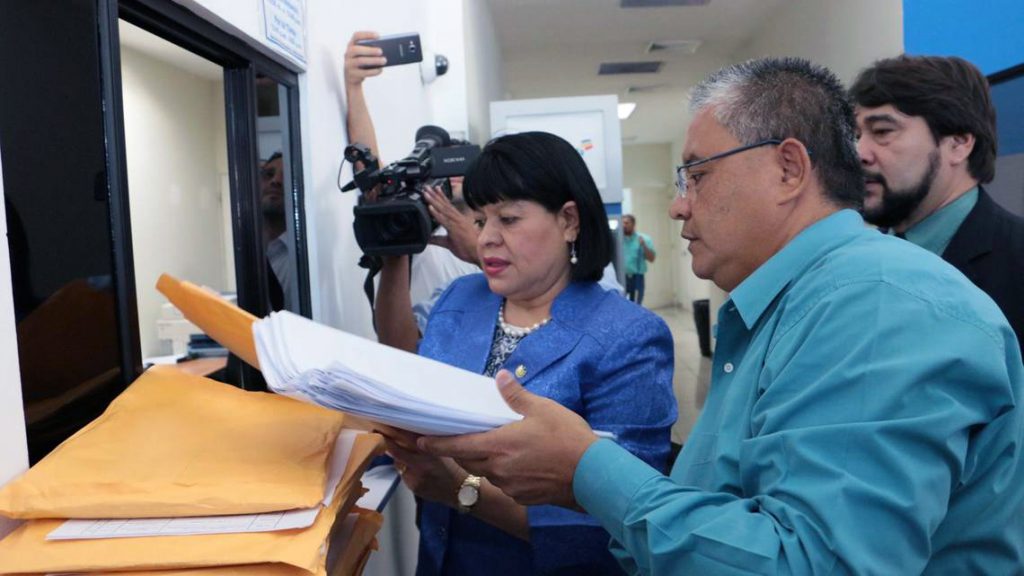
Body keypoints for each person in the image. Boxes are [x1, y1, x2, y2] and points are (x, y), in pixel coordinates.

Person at [420, 57, 1024, 574]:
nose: (679, 207)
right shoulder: (789, 307)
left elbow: (808, 562)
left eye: (697, 176)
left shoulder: (879, 306)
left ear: (788, 169)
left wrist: (585, 469)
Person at [383, 131, 677, 575]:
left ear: (569, 221)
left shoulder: (629, 338)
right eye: (480, 221)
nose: (486, 238)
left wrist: (461, 489)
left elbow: (626, 521)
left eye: (509, 219)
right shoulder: (459, 299)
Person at [850, 55, 1024, 351]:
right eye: (856, 136)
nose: (859, 152)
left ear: (958, 144)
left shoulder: (1017, 262)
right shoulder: (851, 265)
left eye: (882, 132)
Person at [343, 31, 479, 349]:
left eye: (458, 164)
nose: (452, 176)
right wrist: (354, 87)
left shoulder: (500, 236)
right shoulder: (413, 221)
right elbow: (370, 165)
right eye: (440, 167)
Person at [259, 152, 291, 311]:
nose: (275, 181)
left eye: (286, 176)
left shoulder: (304, 260)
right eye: (268, 174)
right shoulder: (248, 252)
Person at [620, 214, 655, 304]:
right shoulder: (617, 239)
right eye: (622, 223)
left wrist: (644, 245)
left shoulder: (644, 239)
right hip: (621, 277)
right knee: (622, 304)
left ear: (633, 224)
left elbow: (651, 259)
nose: (624, 225)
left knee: (636, 304)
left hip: (637, 278)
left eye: (626, 223)